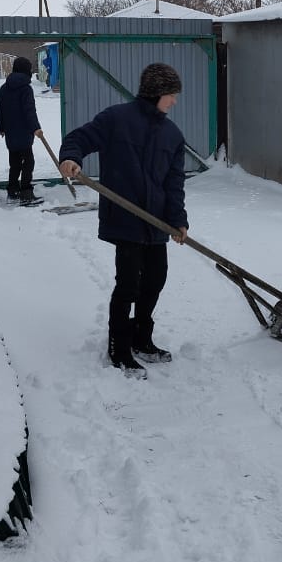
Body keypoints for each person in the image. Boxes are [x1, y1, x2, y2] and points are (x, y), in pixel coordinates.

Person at [58, 62, 189, 380]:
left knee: (156, 279)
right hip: (125, 217)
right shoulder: (116, 119)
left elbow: (173, 185)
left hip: (156, 222)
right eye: (171, 95)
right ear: (157, 92)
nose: (174, 101)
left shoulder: (172, 135)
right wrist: (71, 157)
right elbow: (80, 138)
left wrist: (178, 220)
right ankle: (119, 347)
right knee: (128, 283)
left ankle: (142, 338)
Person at [0, 55, 44, 204]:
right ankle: (26, 193)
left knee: (14, 162)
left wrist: (1, 127)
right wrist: (36, 128)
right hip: (24, 132)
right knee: (28, 162)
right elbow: (29, 111)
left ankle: (13, 191)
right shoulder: (26, 89)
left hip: (10, 132)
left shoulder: (4, 88)